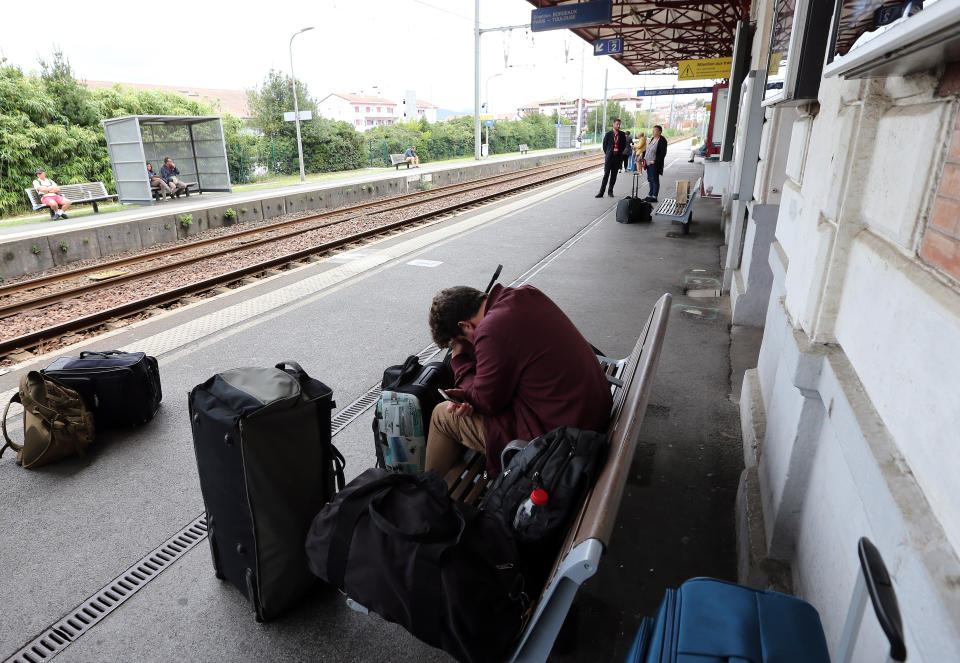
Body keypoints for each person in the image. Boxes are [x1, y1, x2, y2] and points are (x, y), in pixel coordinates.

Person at [424, 284, 613, 477]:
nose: (471, 344)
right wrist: (468, 394)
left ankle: (426, 494)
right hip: (590, 408)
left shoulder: (491, 329)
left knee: (442, 416)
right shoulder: (525, 294)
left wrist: (459, 360)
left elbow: (487, 402)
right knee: (460, 412)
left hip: (566, 436)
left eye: (463, 340)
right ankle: (445, 492)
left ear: (465, 325)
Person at [596, 118, 628, 198]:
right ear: (613, 124)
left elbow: (624, 145)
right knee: (606, 175)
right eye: (617, 124)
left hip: (617, 158)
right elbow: (604, 146)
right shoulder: (608, 134)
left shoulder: (622, 134)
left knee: (614, 175)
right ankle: (601, 192)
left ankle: (610, 191)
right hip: (609, 158)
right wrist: (608, 153)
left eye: (619, 124)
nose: (618, 125)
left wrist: (619, 152)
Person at [643, 125, 668, 203]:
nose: (653, 132)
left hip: (654, 164)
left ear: (659, 132)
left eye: (655, 130)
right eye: (653, 130)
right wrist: (642, 154)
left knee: (655, 180)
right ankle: (650, 195)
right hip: (648, 163)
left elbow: (662, 153)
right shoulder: (653, 138)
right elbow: (648, 149)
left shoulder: (662, 141)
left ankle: (654, 196)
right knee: (650, 179)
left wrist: (655, 161)